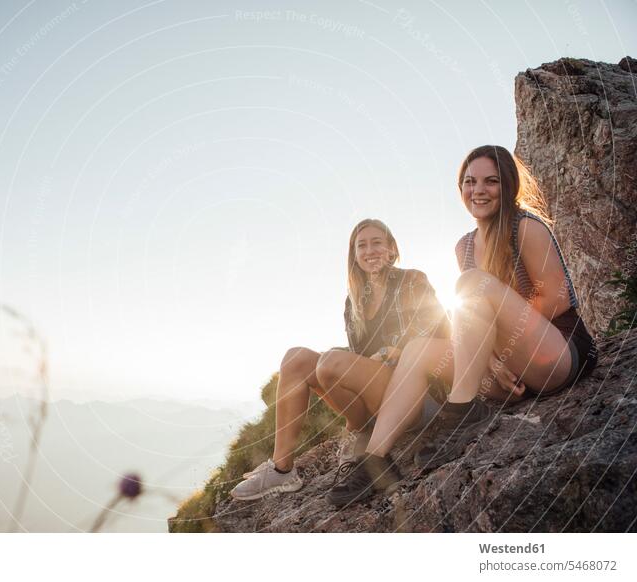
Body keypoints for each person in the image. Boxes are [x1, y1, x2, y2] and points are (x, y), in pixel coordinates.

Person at [326, 145, 598, 507]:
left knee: (471, 285)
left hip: (556, 355)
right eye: (470, 182)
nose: (478, 190)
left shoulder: (526, 227)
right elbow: (472, 321)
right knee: (418, 348)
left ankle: (462, 414)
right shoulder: (464, 246)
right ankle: (376, 459)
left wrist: (500, 347)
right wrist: (484, 357)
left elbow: (558, 299)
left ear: (508, 185)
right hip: (509, 375)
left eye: (491, 181)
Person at [230, 219, 449, 501]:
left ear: (392, 250)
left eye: (377, 243)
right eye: (362, 246)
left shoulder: (412, 280)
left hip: (417, 395)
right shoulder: (354, 302)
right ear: (354, 256)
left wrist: (385, 354)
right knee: (296, 358)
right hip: (375, 398)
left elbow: (433, 330)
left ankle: (369, 439)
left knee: (331, 363)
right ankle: (282, 471)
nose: (370, 250)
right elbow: (358, 355)